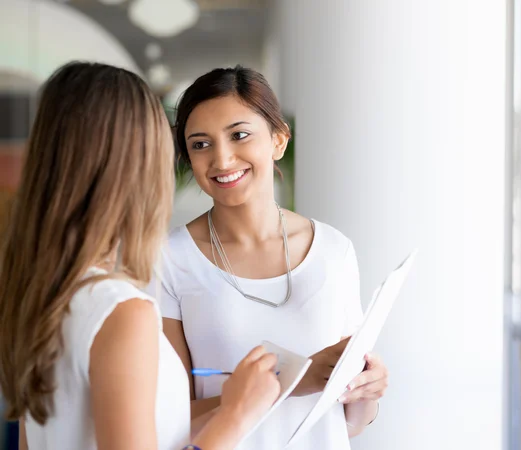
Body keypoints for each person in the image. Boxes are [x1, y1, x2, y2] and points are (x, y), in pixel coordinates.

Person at [0, 61, 281, 450]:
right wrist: (236, 416)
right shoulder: (121, 312)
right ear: (136, 167)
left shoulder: (43, 301)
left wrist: (247, 399)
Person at [150, 66, 389, 450]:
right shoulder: (169, 259)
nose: (222, 159)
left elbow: (350, 423)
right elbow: (164, 417)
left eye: (239, 135)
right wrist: (295, 381)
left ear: (278, 140)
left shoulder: (334, 251)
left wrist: (367, 390)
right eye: (200, 144)